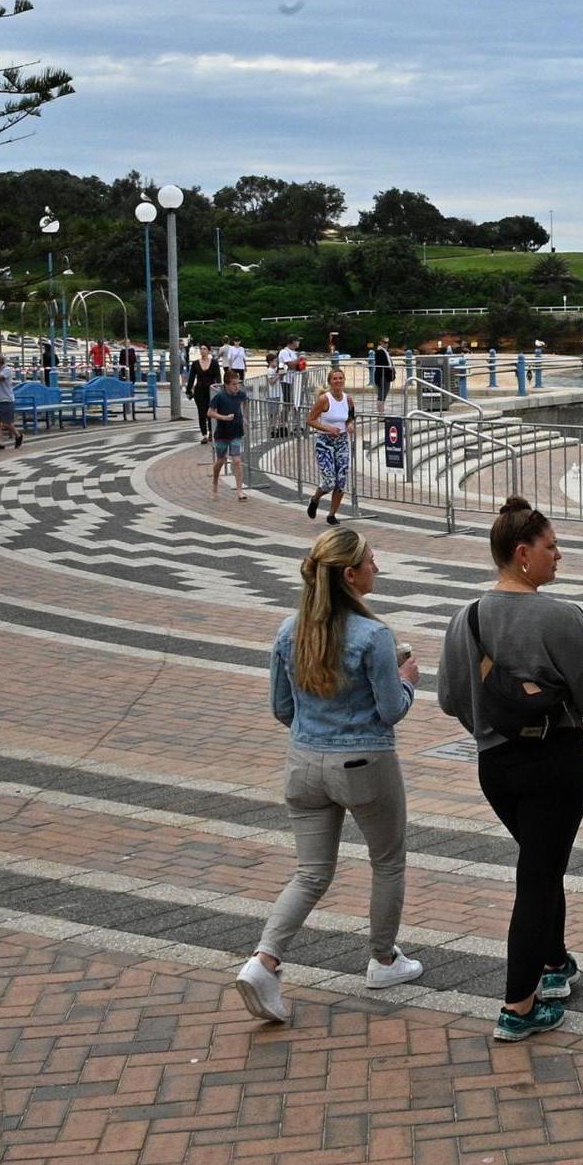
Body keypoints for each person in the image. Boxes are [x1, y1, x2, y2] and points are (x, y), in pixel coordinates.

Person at [439, 498, 583, 1041]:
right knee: (536, 876)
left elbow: (448, 696)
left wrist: (488, 730)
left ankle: (554, 965)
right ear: (522, 553)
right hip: (555, 764)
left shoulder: (468, 618)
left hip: (497, 767)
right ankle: (519, 1005)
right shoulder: (558, 616)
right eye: (551, 547)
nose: (559, 556)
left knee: (540, 860)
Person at [233, 527, 422, 1025]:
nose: (376, 568)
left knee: (311, 872)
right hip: (364, 762)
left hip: (303, 763)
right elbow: (389, 710)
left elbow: (280, 708)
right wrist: (407, 682)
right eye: (371, 562)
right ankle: (383, 960)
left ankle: (264, 960)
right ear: (350, 575)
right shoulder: (374, 636)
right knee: (387, 861)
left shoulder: (288, 630)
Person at [306, 366, 354, 525]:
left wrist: (350, 424)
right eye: (335, 379)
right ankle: (315, 498)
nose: (338, 381)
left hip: (342, 441)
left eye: (341, 378)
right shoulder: (324, 399)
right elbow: (310, 420)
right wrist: (327, 428)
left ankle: (332, 514)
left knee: (340, 482)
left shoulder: (348, 399)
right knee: (329, 481)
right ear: (330, 382)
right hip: (325, 442)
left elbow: (350, 417)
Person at [210, 368, 249, 499]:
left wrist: (244, 417)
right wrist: (224, 417)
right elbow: (210, 413)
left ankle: (239, 490)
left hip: (236, 431)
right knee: (221, 460)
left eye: (238, 383)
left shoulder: (241, 394)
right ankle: (215, 483)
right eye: (233, 384)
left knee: (237, 460)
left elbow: (246, 403)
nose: (236, 386)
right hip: (222, 433)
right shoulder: (220, 396)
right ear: (226, 384)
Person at [187, 344, 221, 442]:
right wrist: (189, 390)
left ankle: (211, 432)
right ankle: (204, 435)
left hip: (211, 390)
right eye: (201, 349)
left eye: (204, 349)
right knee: (201, 412)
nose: (202, 351)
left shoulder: (214, 363)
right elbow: (191, 378)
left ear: (209, 351)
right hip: (199, 391)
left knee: (210, 412)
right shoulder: (195, 364)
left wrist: (218, 388)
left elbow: (218, 377)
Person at [0, 356, 22, 449]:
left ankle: (18, 435)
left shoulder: (7, 370)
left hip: (5, 400)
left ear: (1, 362)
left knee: (7, 423)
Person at [277, 338, 305, 433]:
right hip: (286, 380)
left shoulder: (293, 352)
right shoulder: (284, 352)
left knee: (295, 403)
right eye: (297, 341)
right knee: (287, 404)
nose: (299, 342)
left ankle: (296, 425)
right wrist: (299, 359)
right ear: (293, 342)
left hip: (294, 380)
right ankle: (282, 426)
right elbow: (290, 365)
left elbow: (297, 366)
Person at [372, 338, 396, 415]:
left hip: (386, 375)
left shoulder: (385, 352)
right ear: (381, 342)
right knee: (381, 394)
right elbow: (382, 364)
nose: (387, 344)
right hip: (382, 375)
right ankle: (381, 413)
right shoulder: (379, 352)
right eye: (385, 342)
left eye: (388, 342)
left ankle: (381, 412)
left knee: (384, 393)